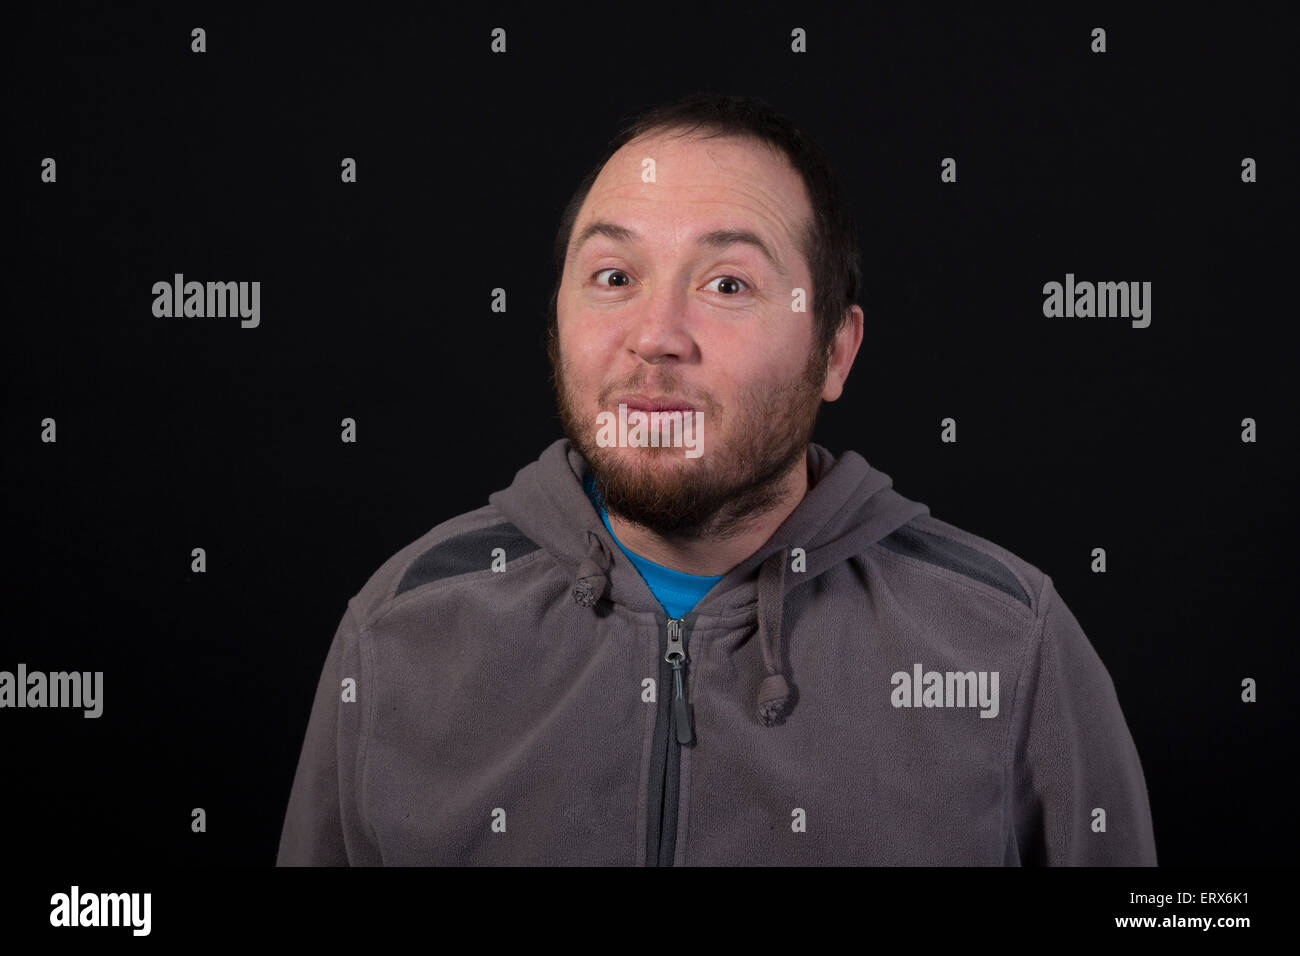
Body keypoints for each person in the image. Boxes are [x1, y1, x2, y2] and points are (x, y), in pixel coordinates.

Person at [276, 92, 1158, 866]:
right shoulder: (399, 630)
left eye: (728, 284)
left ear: (834, 353)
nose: (657, 333)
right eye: (614, 276)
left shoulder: (1011, 645)